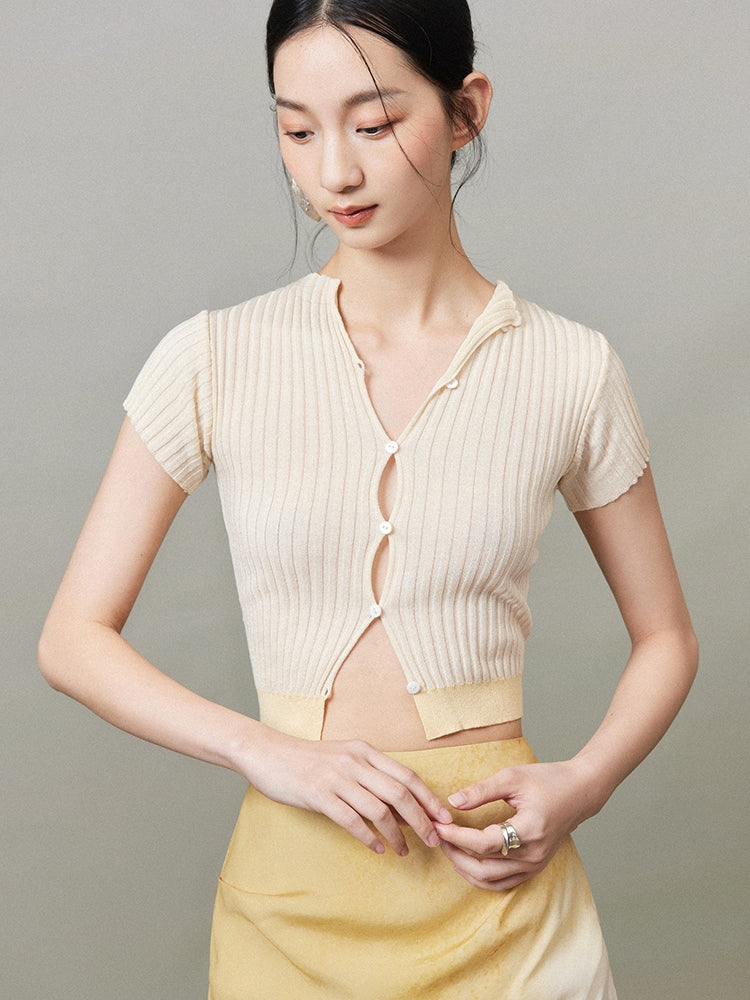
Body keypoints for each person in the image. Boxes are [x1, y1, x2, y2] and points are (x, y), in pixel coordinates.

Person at [38, 1, 698, 997]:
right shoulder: (214, 357)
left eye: (376, 123)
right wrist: (260, 749)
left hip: (506, 900)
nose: (334, 172)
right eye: (298, 131)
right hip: (291, 905)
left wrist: (584, 782)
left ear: (466, 110)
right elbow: (71, 639)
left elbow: (667, 638)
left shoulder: (571, 368)